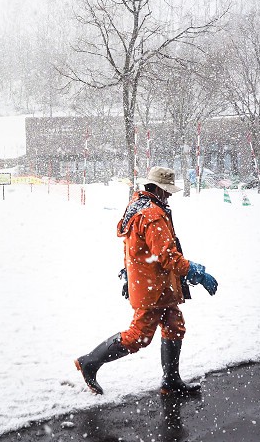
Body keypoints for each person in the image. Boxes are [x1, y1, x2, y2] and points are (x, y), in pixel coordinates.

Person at [74, 166, 219, 397]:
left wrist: (128, 272)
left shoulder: (139, 207)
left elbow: (133, 247)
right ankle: (90, 362)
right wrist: (197, 272)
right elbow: (167, 256)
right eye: (168, 190)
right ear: (159, 189)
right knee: (138, 336)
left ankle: (171, 381)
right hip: (153, 287)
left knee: (174, 325)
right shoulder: (153, 215)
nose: (170, 195)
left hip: (154, 283)